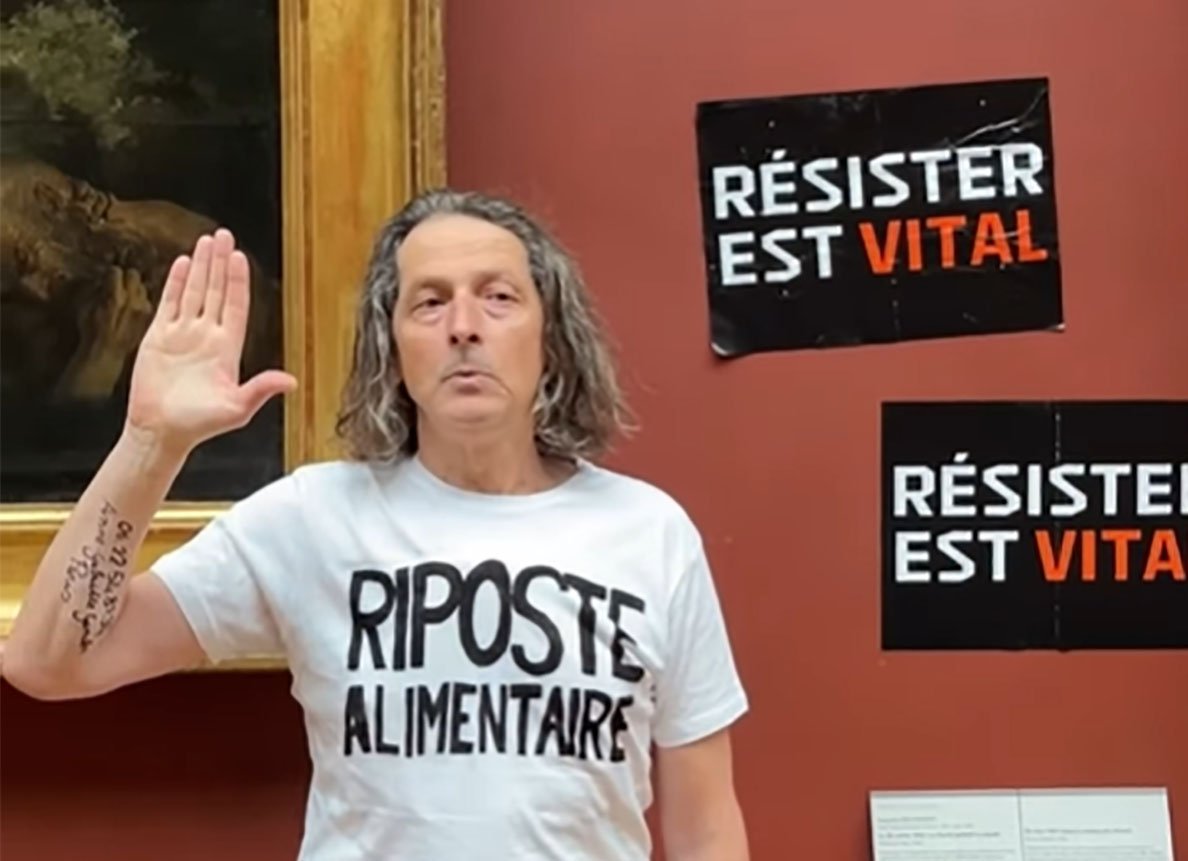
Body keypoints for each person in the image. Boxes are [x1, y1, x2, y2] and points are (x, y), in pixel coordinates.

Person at [4, 190, 751, 860]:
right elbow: (49, 661)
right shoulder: (312, 519)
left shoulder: (650, 533)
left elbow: (705, 828)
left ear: (550, 339)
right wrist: (150, 441)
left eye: (498, 297)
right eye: (429, 303)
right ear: (392, 348)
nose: (464, 326)